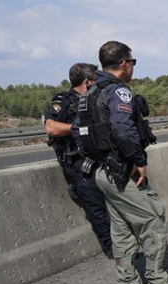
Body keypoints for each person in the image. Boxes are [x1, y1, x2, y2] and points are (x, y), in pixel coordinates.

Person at [72, 40, 168, 284]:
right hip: (121, 172)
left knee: (122, 231)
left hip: (102, 171)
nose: (133, 67)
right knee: (154, 218)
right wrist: (137, 160)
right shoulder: (118, 92)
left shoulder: (89, 91)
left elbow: (80, 131)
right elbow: (123, 130)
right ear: (124, 63)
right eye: (132, 62)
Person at [44, 63, 113, 258]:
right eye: (95, 79)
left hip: (101, 157)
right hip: (78, 164)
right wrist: (78, 127)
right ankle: (112, 250)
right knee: (96, 206)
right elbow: (51, 128)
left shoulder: (97, 98)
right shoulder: (63, 101)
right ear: (86, 81)